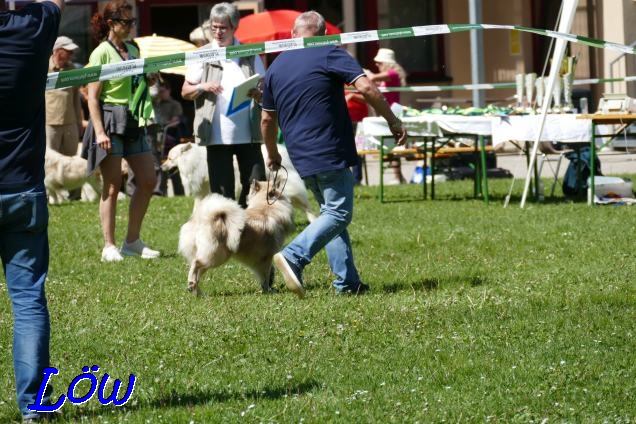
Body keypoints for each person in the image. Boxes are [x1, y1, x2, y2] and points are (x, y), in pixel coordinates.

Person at [261, 11, 407, 297]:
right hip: (328, 148)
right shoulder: (328, 51)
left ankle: (347, 284)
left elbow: (267, 119)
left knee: (330, 214)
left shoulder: (275, 67)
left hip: (299, 155)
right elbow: (365, 86)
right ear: (325, 34)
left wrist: (272, 155)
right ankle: (294, 256)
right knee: (339, 213)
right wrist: (393, 120)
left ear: (293, 35)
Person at [0, 0, 64, 420]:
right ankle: (34, 409)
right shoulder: (32, 26)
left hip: (23, 190)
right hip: (21, 189)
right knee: (27, 303)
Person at [83, 0, 160, 262]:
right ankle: (109, 246)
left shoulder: (132, 49)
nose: (130, 27)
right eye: (126, 22)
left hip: (133, 120)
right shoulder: (100, 53)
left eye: (132, 22)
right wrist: (100, 132)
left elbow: (137, 81)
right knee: (113, 185)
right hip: (110, 120)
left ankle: (132, 241)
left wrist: (148, 77)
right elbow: (92, 97)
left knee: (148, 179)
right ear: (111, 23)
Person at [181, 2, 266, 208]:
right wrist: (203, 86)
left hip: (249, 134)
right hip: (216, 135)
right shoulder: (202, 54)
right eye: (214, 27)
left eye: (223, 27)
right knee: (222, 195)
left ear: (234, 27)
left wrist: (257, 93)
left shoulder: (250, 52)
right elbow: (185, 91)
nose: (217, 32)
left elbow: (264, 90)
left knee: (256, 187)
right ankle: (227, 236)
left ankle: (248, 232)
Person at [46, 35, 84, 200]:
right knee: (48, 165)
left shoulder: (73, 70)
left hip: (70, 123)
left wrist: (79, 121)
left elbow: (76, 99)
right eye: (67, 51)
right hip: (49, 124)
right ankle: (49, 196)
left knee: (73, 161)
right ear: (57, 51)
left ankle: (74, 196)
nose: (71, 54)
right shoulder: (43, 69)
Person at [365, 48, 408, 184]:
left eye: (379, 63)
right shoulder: (389, 75)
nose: (377, 65)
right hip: (387, 112)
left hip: (392, 112)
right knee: (390, 146)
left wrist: (365, 73)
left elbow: (371, 79)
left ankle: (398, 177)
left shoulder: (392, 73)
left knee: (393, 145)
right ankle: (398, 177)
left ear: (386, 62)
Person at [152, 80, 185, 196]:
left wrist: (166, 124)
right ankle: (160, 190)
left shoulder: (175, 104)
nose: (161, 94)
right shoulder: (156, 104)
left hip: (170, 136)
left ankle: (179, 192)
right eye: (159, 92)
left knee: (172, 166)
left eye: (163, 91)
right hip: (157, 135)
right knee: (157, 162)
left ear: (169, 90)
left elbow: (176, 121)